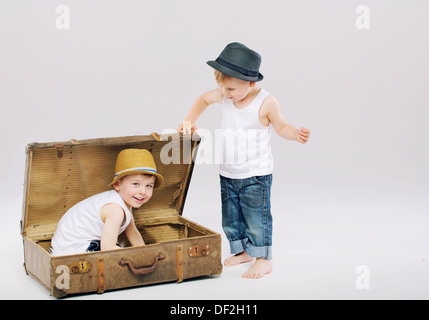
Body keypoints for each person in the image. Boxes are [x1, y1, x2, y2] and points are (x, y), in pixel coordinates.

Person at [177, 42, 311, 279]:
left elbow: (281, 126)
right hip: (228, 171)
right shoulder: (225, 93)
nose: (225, 94)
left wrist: (295, 133)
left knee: (256, 216)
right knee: (231, 216)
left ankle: (263, 258)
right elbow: (203, 100)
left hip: (256, 173)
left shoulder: (266, 102)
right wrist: (189, 119)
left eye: (230, 89)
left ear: (251, 83)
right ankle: (242, 251)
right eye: (222, 88)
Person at [50, 149, 164, 256]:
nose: (143, 191)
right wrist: (135, 257)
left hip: (73, 243)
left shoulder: (123, 203)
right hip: (73, 248)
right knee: (119, 258)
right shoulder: (115, 209)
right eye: (136, 184)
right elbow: (108, 248)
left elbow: (132, 232)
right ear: (117, 185)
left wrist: (145, 253)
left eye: (149, 186)